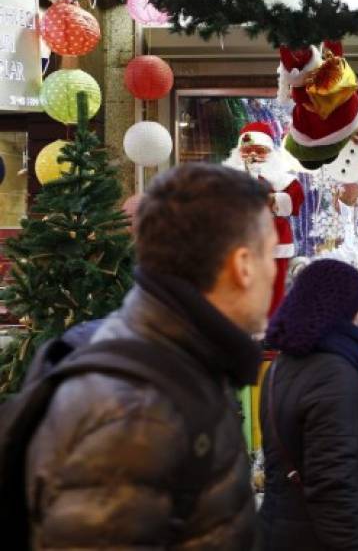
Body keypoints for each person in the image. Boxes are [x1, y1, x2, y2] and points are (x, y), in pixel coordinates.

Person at [25, 164, 275, 549]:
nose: (274, 273)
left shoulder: (175, 362)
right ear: (243, 265)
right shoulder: (136, 411)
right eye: (270, 255)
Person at [259, 259, 358, 550]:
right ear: (340, 308)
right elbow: (332, 487)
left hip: (285, 526)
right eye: (356, 304)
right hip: (316, 537)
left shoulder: (282, 365)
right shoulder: (333, 373)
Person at [224, 121, 305, 316]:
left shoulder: (282, 179)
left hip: (275, 242)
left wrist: (273, 200)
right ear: (238, 153)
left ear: (270, 153)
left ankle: (269, 328)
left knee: (273, 287)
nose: (252, 155)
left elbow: (295, 200)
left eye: (259, 150)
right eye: (247, 150)